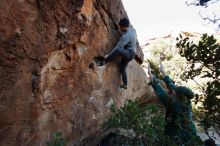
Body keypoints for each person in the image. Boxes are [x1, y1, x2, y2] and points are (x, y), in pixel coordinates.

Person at [148, 63, 197, 145]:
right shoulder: (186, 101)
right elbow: (173, 86)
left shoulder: (176, 106)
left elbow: (162, 94)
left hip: (179, 138)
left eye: (175, 92)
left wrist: (151, 76)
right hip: (191, 134)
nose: (173, 91)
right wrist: (163, 73)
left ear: (179, 96)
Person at [104, 18, 137, 89]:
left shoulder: (126, 36)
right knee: (122, 68)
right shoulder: (133, 30)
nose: (119, 28)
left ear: (123, 27)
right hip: (131, 53)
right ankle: (125, 84)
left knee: (119, 50)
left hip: (129, 54)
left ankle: (105, 61)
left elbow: (117, 48)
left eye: (120, 27)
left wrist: (108, 56)